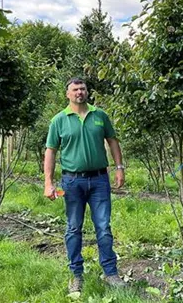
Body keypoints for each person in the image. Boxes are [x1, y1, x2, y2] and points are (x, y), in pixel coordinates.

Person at [44, 77, 126, 293]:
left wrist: (119, 167)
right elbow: (50, 151)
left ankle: (110, 273)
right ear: (68, 94)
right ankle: (76, 274)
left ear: (87, 92)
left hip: (99, 180)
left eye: (82, 89)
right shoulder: (59, 120)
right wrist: (48, 182)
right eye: (75, 89)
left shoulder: (100, 115)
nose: (79, 92)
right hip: (72, 181)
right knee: (73, 228)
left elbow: (113, 141)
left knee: (103, 227)